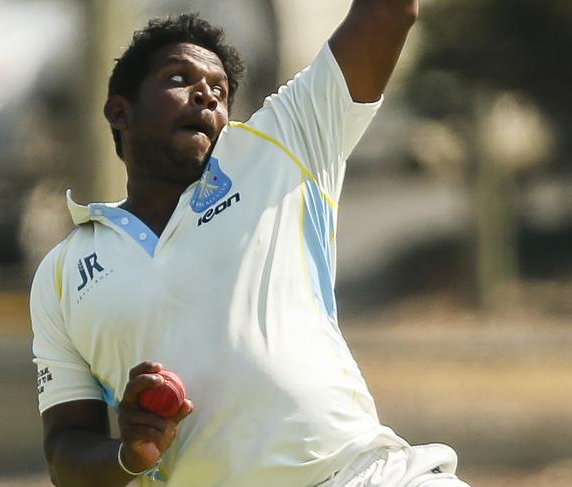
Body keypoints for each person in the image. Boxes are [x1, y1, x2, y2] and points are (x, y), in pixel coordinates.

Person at [30, 4, 471, 486]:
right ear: (120, 110)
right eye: (180, 78)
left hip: (365, 476)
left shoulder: (286, 145)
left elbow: (390, 12)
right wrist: (129, 455)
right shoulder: (63, 273)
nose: (206, 94)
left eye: (219, 92)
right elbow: (65, 450)